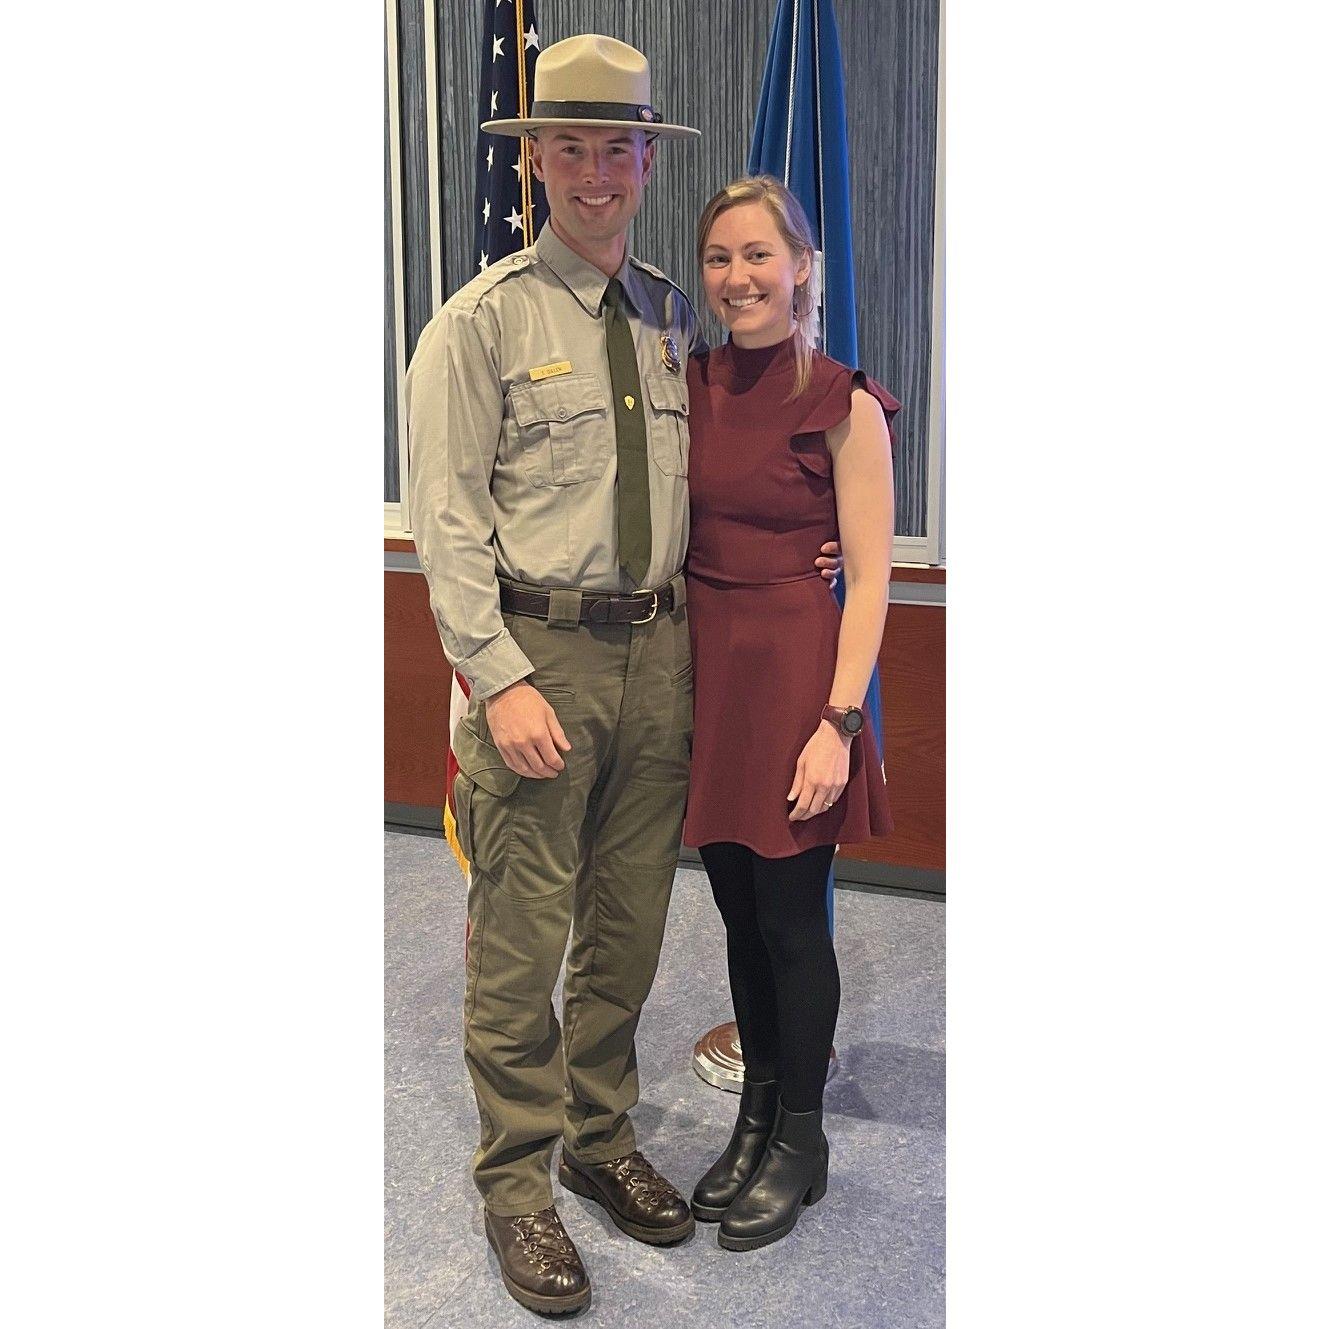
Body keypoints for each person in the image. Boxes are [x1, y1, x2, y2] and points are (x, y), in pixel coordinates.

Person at [406, 40, 840, 1314]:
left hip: (664, 662)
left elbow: (730, 471)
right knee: (524, 938)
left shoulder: (668, 313)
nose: (596, 173)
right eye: (571, 148)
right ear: (533, 159)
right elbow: (446, 525)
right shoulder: (479, 324)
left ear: (649, 161)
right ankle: (518, 1186)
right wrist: (499, 675)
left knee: (628, 930)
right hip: (538, 662)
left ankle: (601, 1142)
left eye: (620, 149)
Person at [682, 175, 899, 1252]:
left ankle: (802, 1140)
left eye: (759, 255)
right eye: (720, 258)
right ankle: (756, 1111)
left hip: (800, 684)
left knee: (791, 916)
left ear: (802, 265)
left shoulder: (843, 400)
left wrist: (838, 723)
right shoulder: (692, 381)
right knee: (733, 909)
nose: (738, 277)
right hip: (709, 671)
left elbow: (867, 577)